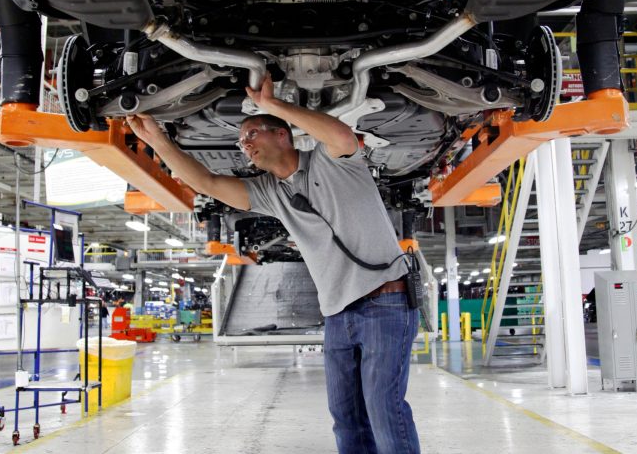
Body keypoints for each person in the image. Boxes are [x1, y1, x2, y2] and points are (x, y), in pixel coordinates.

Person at [127, 73, 420, 453]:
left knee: (384, 410)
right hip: (337, 315)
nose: (245, 146)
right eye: (241, 141)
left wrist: (274, 104)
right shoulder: (270, 193)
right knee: (347, 419)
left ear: (281, 134)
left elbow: (343, 136)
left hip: (385, 302)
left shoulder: (334, 162)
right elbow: (207, 183)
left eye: (252, 135)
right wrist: (156, 140)